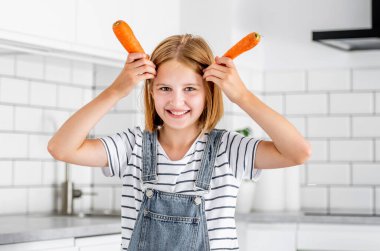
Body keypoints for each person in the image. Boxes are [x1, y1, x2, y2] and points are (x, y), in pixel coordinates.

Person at [48, 34, 311, 251]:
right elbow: (61, 148)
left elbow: (298, 153)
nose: (176, 102)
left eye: (190, 89)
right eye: (164, 88)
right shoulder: (132, 147)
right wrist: (116, 90)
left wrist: (242, 96)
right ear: (151, 91)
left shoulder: (229, 149)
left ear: (209, 93)